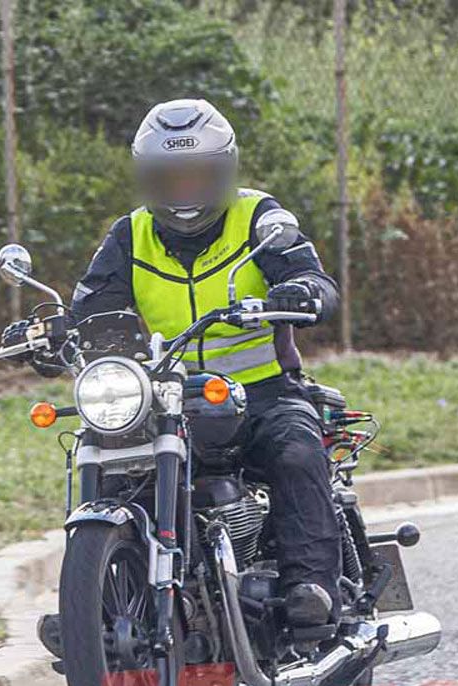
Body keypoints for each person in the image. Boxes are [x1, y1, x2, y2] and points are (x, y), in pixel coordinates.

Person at [68, 97, 343, 627]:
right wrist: (55, 330)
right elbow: (92, 305)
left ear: (225, 171)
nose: (184, 191)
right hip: (163, 396)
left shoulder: (258, 218)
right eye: (169, 179)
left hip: (262, 391)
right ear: (147, 179)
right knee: (108, 464)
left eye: (197, 176)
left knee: (295, 453)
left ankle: (312, 586)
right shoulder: (130, 234)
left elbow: (310, 274)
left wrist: (304, 291)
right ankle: (93, 607)